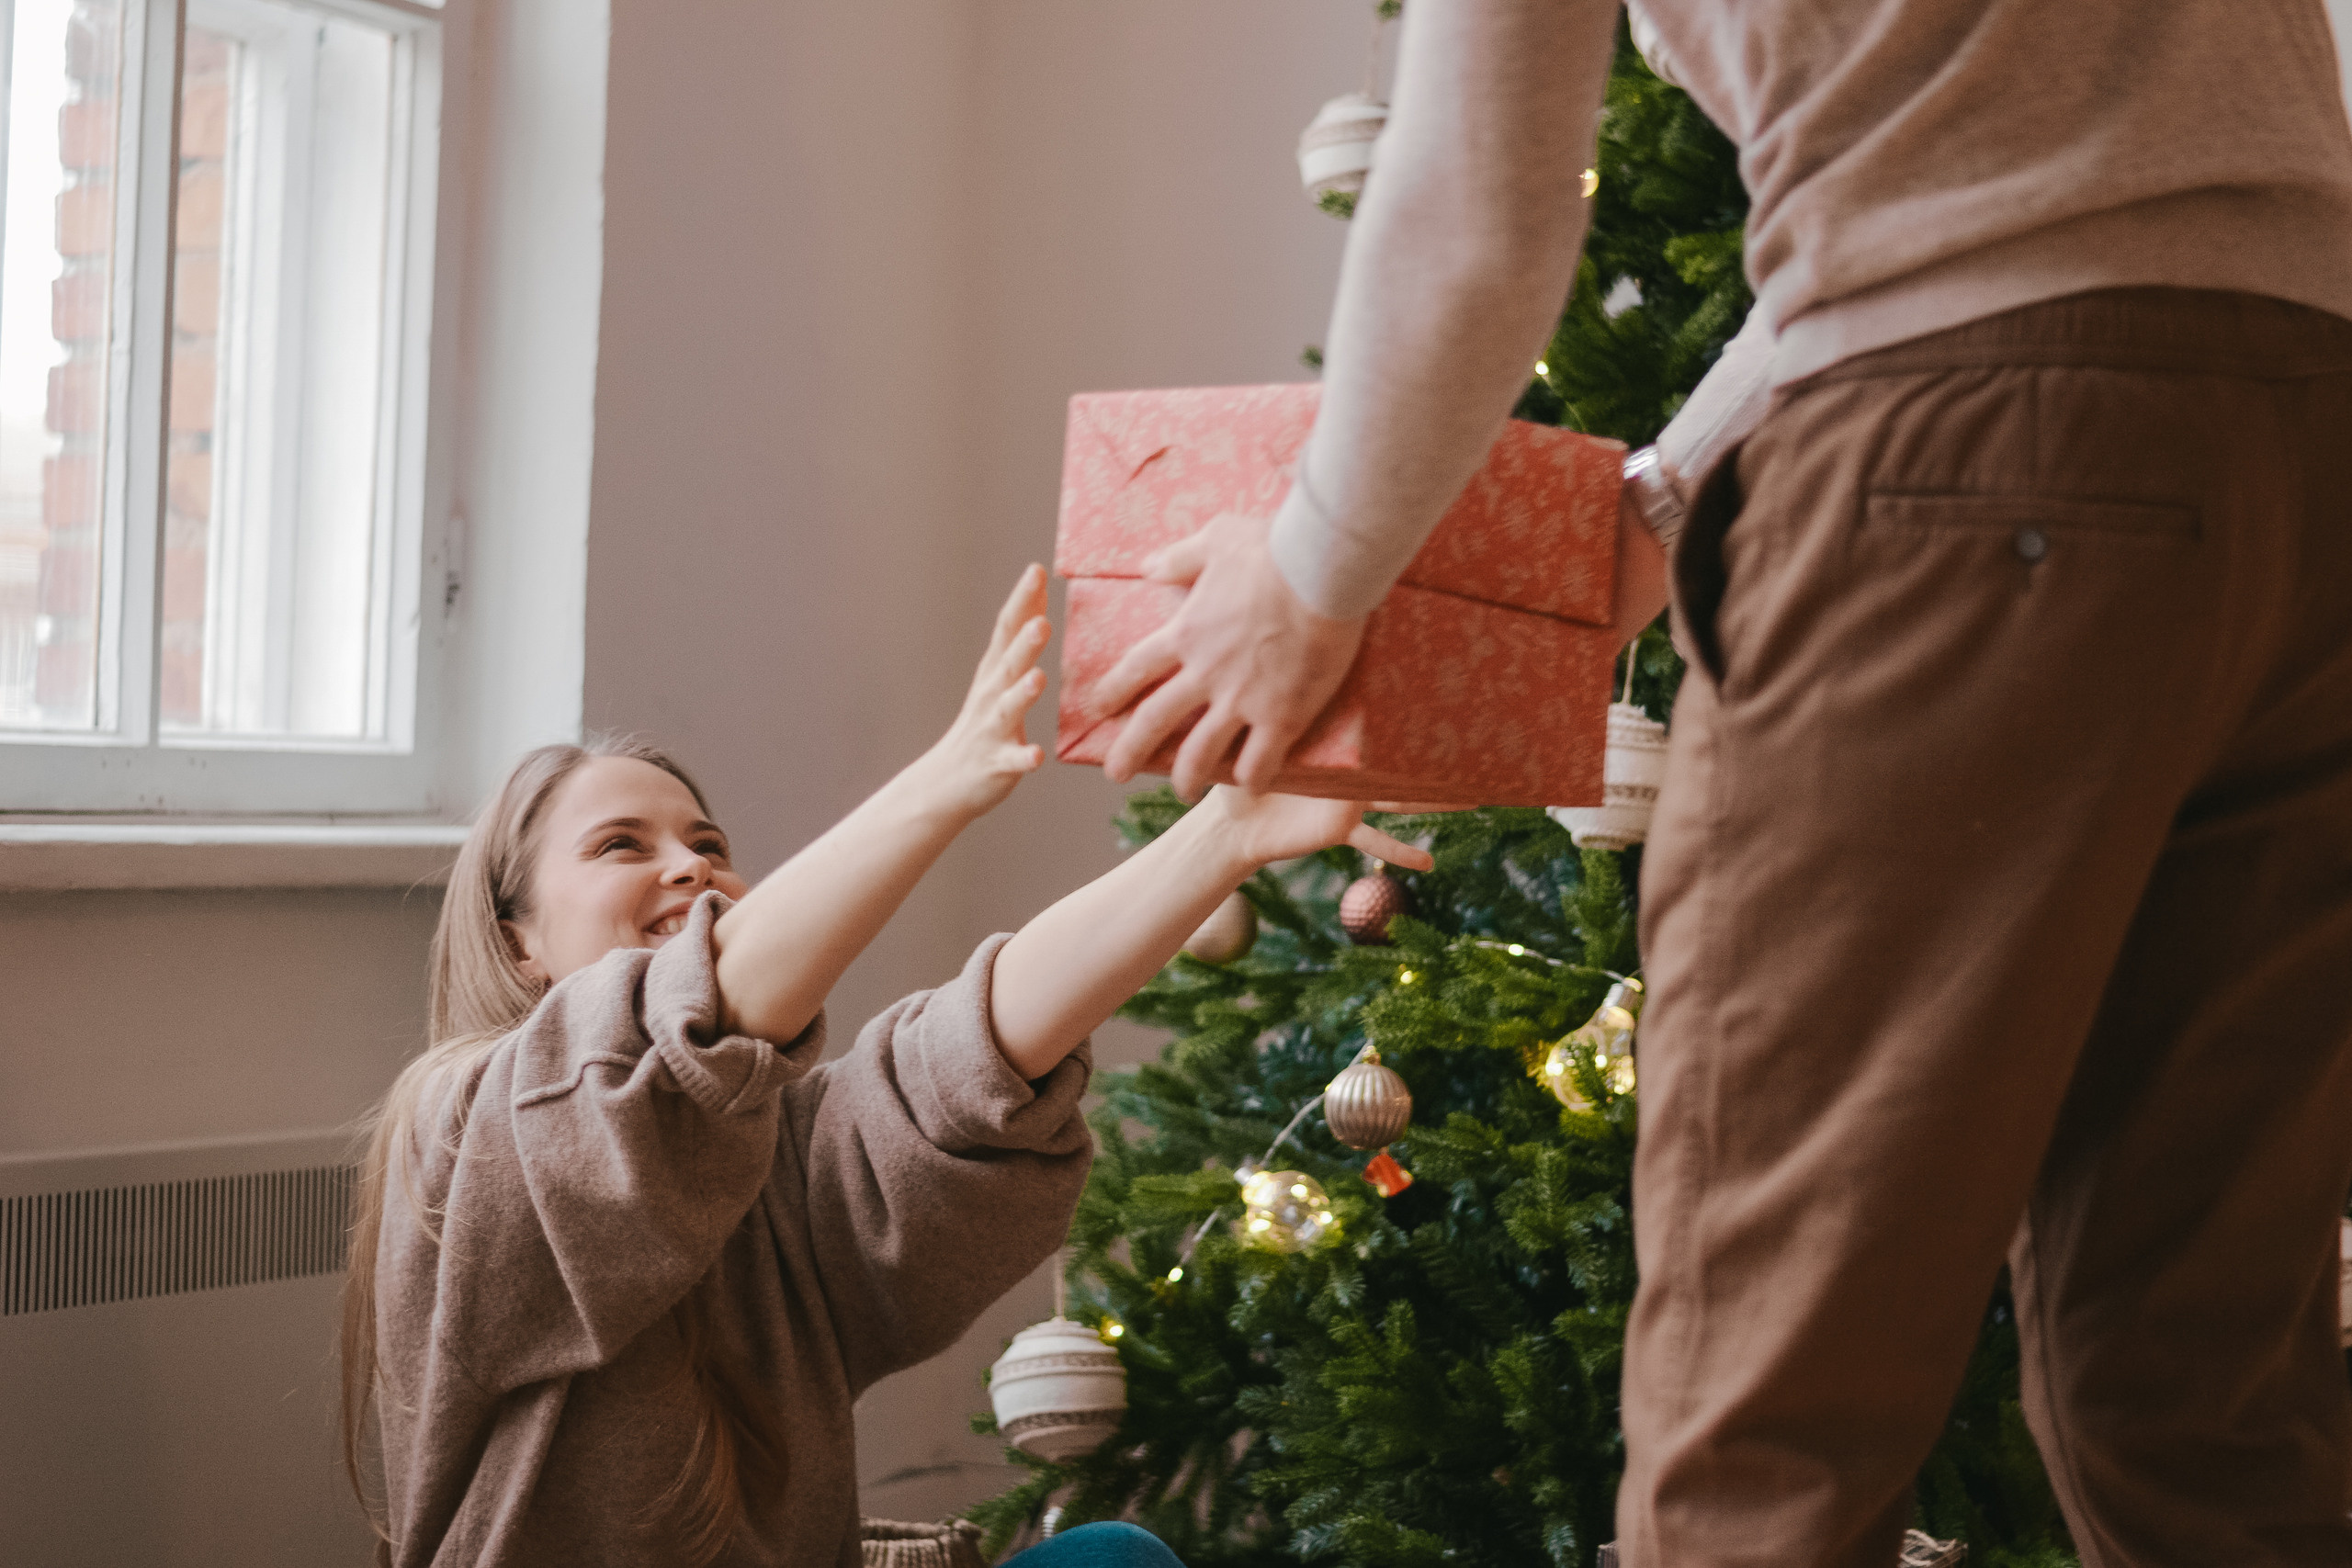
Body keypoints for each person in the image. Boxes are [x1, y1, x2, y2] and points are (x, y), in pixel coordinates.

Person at [1083, 3, 2352, 1563]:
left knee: (1770, 1395)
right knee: (2197, 1387)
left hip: (1965, 474)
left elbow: (1482, 201)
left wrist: (1310, 576)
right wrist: (1662, 499)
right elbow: (2023, 178)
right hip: (2313, 439)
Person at [339, 565, 1432, 1568]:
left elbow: (968, 1060)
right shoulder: (465, 1127)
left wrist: (1226, 833)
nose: (692, 868)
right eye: (623, 845)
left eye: (709, 844)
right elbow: (667, 1039)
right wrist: (948, 778)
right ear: (517, 937)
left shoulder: (767, 1154)